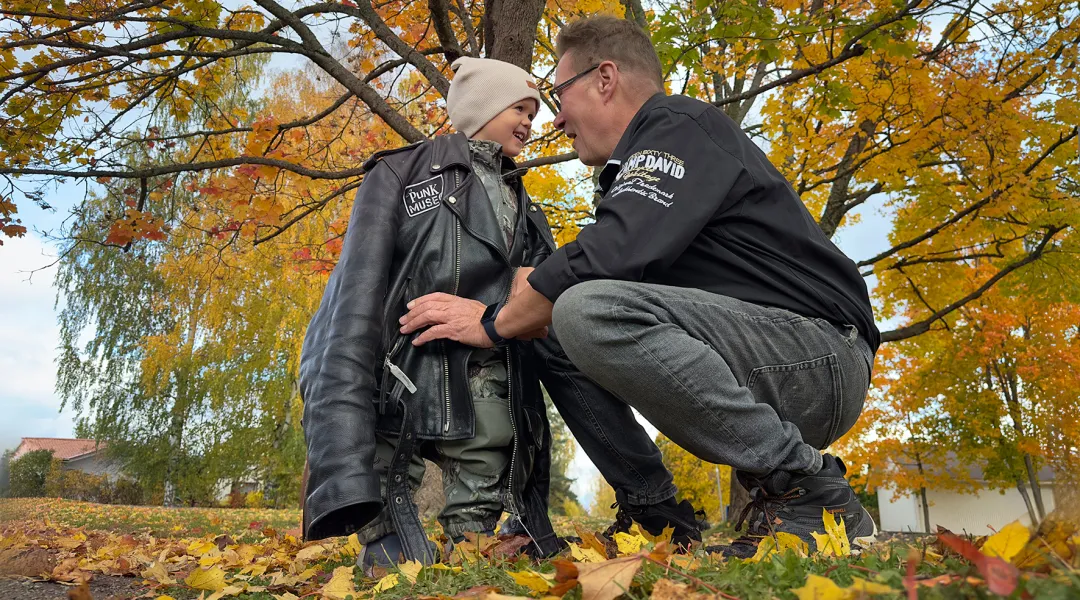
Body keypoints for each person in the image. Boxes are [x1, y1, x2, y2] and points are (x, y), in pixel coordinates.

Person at [399, 16, 880, 558]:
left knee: (580, 308)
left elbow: (610, 252)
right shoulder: (645, 169)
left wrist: (490, 324)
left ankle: (808, 489)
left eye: (559, 94)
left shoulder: (676, 125)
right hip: (768, 353)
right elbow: (593, 267)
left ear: (605, 79)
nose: (556, 119)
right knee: (553, 324)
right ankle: (653, 510)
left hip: (819, 356)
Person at [298, 56, 563, 572]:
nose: (532, 121)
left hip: (488, 364)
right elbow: (359, 286)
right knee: (385, 455)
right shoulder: (403, 171)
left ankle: (472, 545)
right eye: (520, 107)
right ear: (481, 107)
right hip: (404, 360)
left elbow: (546, 296)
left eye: (535, 110)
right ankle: (386, 544)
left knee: (486, 451)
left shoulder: (527, 207)